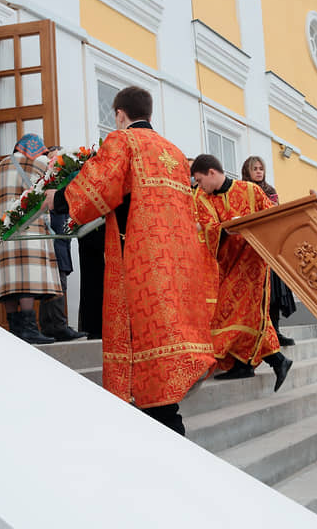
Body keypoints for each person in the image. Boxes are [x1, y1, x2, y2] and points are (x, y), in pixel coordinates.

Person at [44, 86, 216, 435]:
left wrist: (57, 200)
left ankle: (164, 427)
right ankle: (167, 414)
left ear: (119, 114)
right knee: (162, 338)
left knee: (139, 338)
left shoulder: (123, 142)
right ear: (149, 113)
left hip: (138, 259)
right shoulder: (175, 152)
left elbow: (101, 187)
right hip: (175, 263)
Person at [191, 154, 293, 392]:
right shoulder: (202, 198)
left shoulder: (251, 191)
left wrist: (249, 223)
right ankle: (262, 362)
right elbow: (207, 231)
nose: (198, 184)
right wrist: (230, 228)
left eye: (199, 179)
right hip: (226, 266)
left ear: (212, 173)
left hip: (253, 263)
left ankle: (235, 364)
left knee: (234, 315)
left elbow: (271, 218)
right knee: (249, 316)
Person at [0, 133, 62, 344]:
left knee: (10, 278)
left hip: (6, 229)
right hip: (32, 229)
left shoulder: (0, 166)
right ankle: (30, 329)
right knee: (27, 278)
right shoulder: (42, 166)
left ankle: (15, 330)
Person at [241, 155, 296, 347]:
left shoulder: (270, 191)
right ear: (247, 170)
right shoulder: (241, 190)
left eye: (260, 168)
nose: (258, 171)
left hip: (270, 245)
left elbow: (274, 213)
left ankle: (276, 332)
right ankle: (258, 334)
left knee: (273, 293)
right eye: (254, 168)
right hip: (248, 248)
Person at [38, 146, 86, 342]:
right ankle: (55, 325)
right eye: (54, 156)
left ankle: (54, 325)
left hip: (61, 233)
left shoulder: (64, 179)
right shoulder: (46, 179)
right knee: (55, 280)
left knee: (59, 278)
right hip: (51, 234)